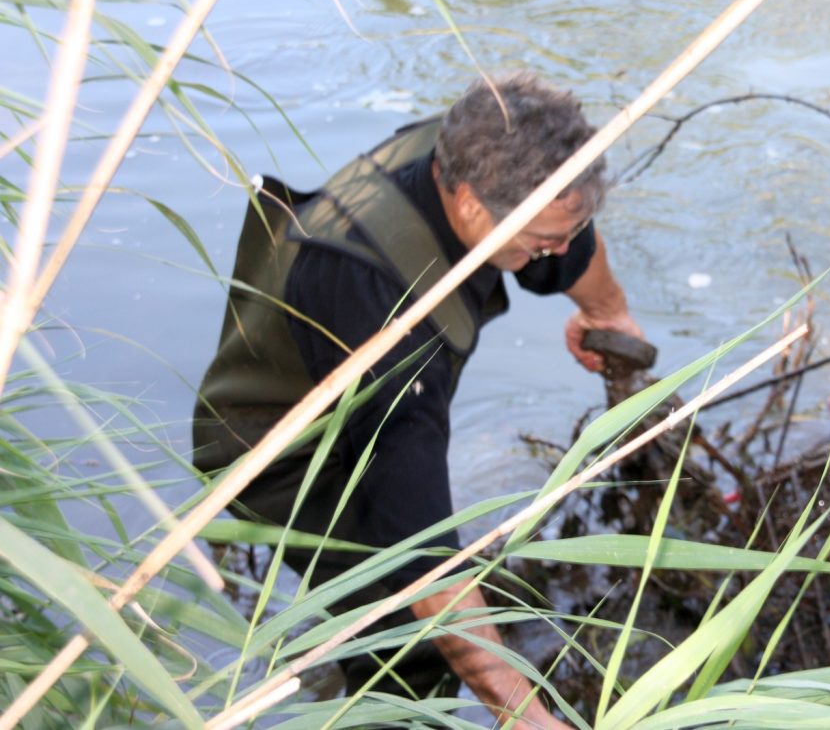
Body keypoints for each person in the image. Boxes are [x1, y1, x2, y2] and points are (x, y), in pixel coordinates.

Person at [193, 72, 641, 729]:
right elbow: (423, 553)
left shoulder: (490, 156)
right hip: (280, 446)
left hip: (369, 391)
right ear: (467, 205)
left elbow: (567, 250)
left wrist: (611, 311)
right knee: (409, 641)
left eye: (565, 229)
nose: (559, 248)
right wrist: (526, 717)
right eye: (542, 237)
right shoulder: (388, 317)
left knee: (475, 597)